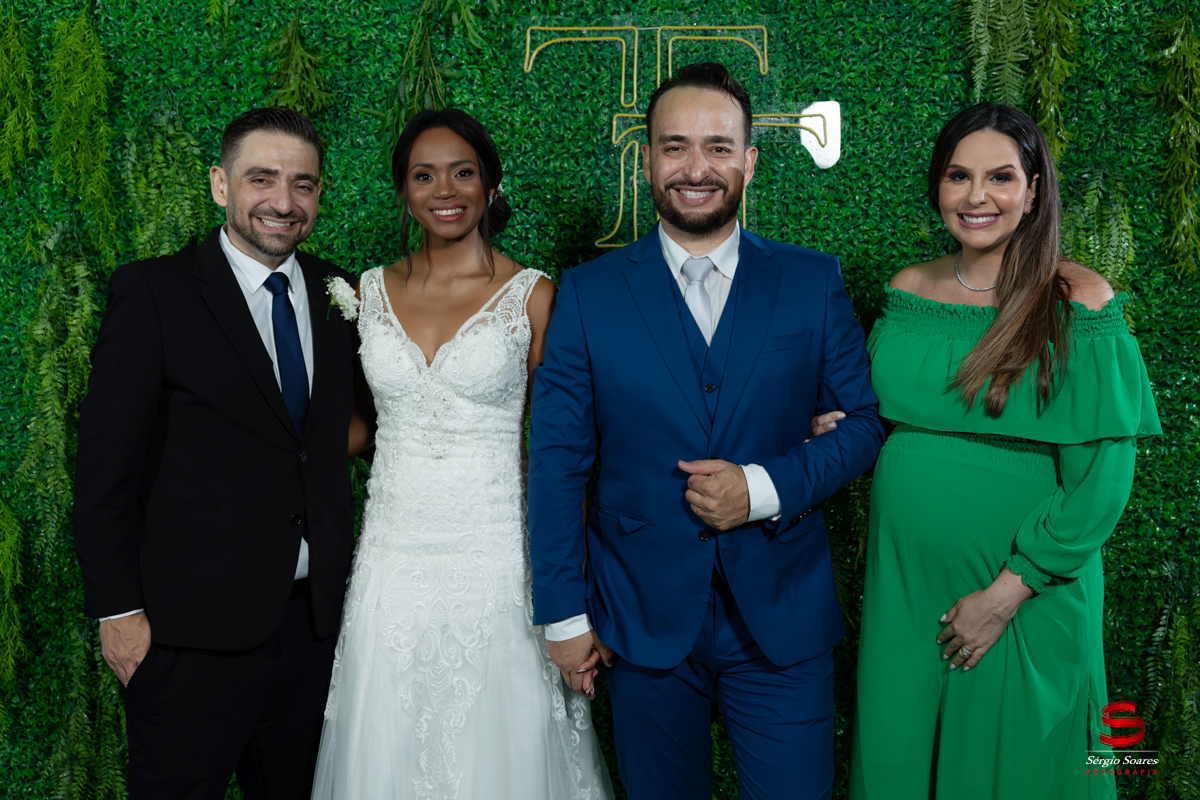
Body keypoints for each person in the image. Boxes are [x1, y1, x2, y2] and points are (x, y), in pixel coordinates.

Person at [528, 62, 885, 800]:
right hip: (639, 615)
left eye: (719, 147)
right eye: (676, 146)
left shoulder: (812, 281)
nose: (697, 168)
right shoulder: (588, 294)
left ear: (749, 160)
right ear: (647, 159)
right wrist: (562, 614)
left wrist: (762, 487)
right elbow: (558, 462)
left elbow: (864, 425)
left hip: (783, 619)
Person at [848, 103, 1162, 800]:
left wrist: (1005, 594)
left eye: (1000, 177)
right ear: (938, 184)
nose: (977, 196)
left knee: (1016, 769)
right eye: (958, 176)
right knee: (901, 755)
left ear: (1034, 189)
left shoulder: (1079, 301)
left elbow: (1103, 482)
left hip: (1022, 596)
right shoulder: (906, 291)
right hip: (905, 592)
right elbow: (873, 420)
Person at [310, 108, 612, 800]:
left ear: (489, 183)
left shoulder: (534, 296)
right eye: (424, 175)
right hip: (392, 562)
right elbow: (357, 428)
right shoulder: (368, 292)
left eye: (462, 172)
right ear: (403, 190)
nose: (444, 190)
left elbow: (564, 452)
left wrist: (573, 597)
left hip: (497, 565)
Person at [73, 107, 358, 798]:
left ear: (319, 194)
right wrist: (118, 614)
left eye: (303, 184)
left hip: (314, 632)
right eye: (262, 179)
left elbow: (331, 437)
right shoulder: (153, 292)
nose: (283, 202)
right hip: (187, 638)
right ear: (220, 185)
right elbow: (104, 469)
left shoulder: (340, 295)